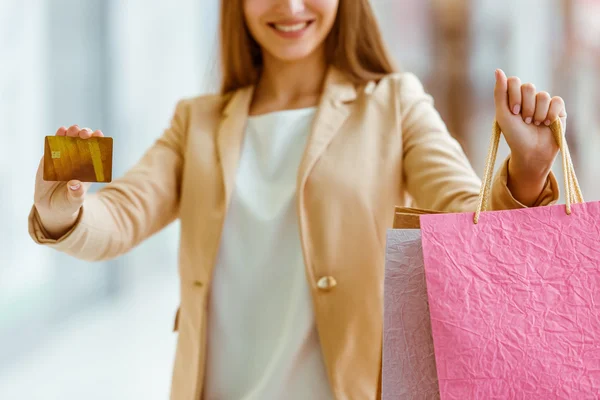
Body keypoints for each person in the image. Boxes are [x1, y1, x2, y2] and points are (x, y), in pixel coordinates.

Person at [29, 0, 565, 399]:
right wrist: (64, 211)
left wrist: (527, 170)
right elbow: (122, 212)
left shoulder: (394, 101)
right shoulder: (197, 119)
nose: (289, 8)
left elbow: (466, 222)